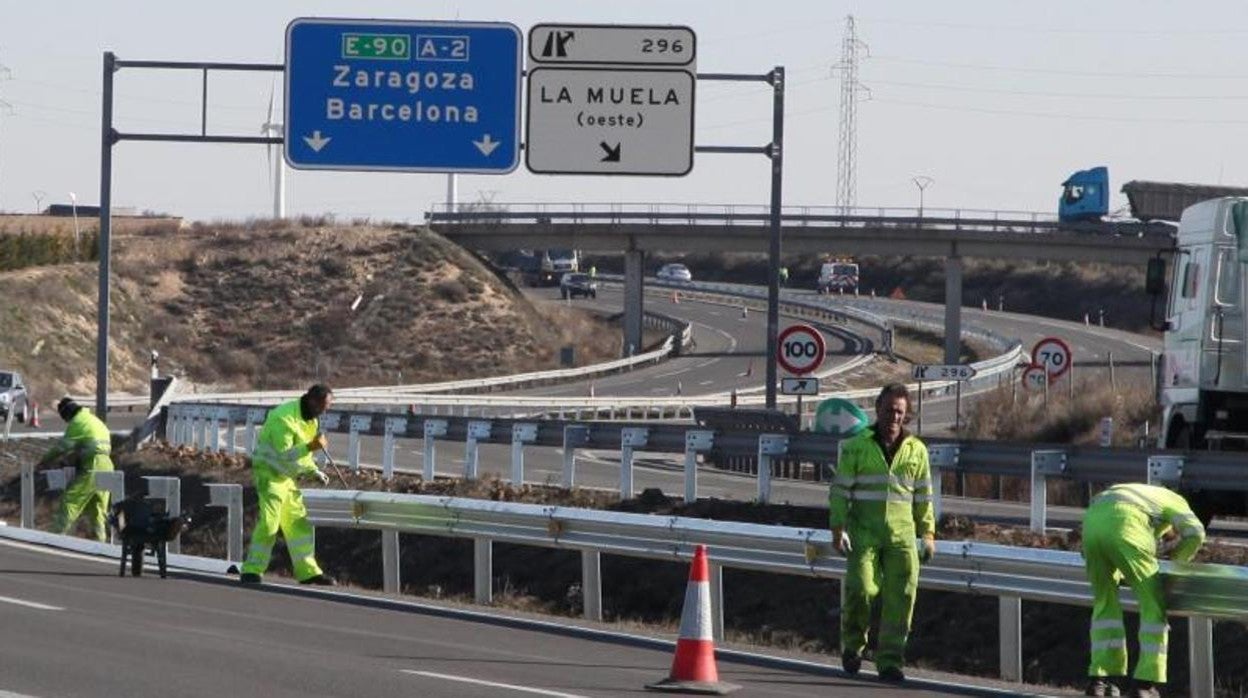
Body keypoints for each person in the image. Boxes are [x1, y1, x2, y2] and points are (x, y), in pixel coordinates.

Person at [828, 383, 935, 683]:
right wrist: (838, 527)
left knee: (901, 599)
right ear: (877, 410)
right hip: (864, 535)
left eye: (900, 412)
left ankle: (890, 661)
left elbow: (924, 497)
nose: (894, 417)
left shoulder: (917, 451)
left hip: (902, 538)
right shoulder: (858, 446)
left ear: (907, 414)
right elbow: (839, 492)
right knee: (861, 590)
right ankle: (853, 646)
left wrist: (928, 534)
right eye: (889, 410)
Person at [1081, 484, 1206, 698]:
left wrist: (1120, 566)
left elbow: (1112, 529)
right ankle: (1145, 685)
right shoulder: (1176, 501)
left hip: (1091, 527)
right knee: (1153, 606)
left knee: (1104, 605)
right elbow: (1196, 533)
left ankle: (1100, 682)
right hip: (1126, 526)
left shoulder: (1140, 495)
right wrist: (1177, 561)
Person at [240, 384, 337, 586]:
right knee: (270, 523)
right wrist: (310, 446)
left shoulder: (310, 418)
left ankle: (308, 572)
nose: (325, 410)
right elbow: (283, 456)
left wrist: (313, 470)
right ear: (313, 401)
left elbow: (302, 455)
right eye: (324, 405)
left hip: (287, 477)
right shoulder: (283, 418)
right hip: (270, 473)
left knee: (298, 524)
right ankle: (251, 570)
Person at [37, 398, 115, 541]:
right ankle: (101, 542)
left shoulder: (78, 422)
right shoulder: (94, 420)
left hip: (93, 465)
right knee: (97, 508)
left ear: (67, 414)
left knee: (70, 501)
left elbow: (62, 447)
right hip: (107, 465)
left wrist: (44, 461)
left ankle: (55, 538)